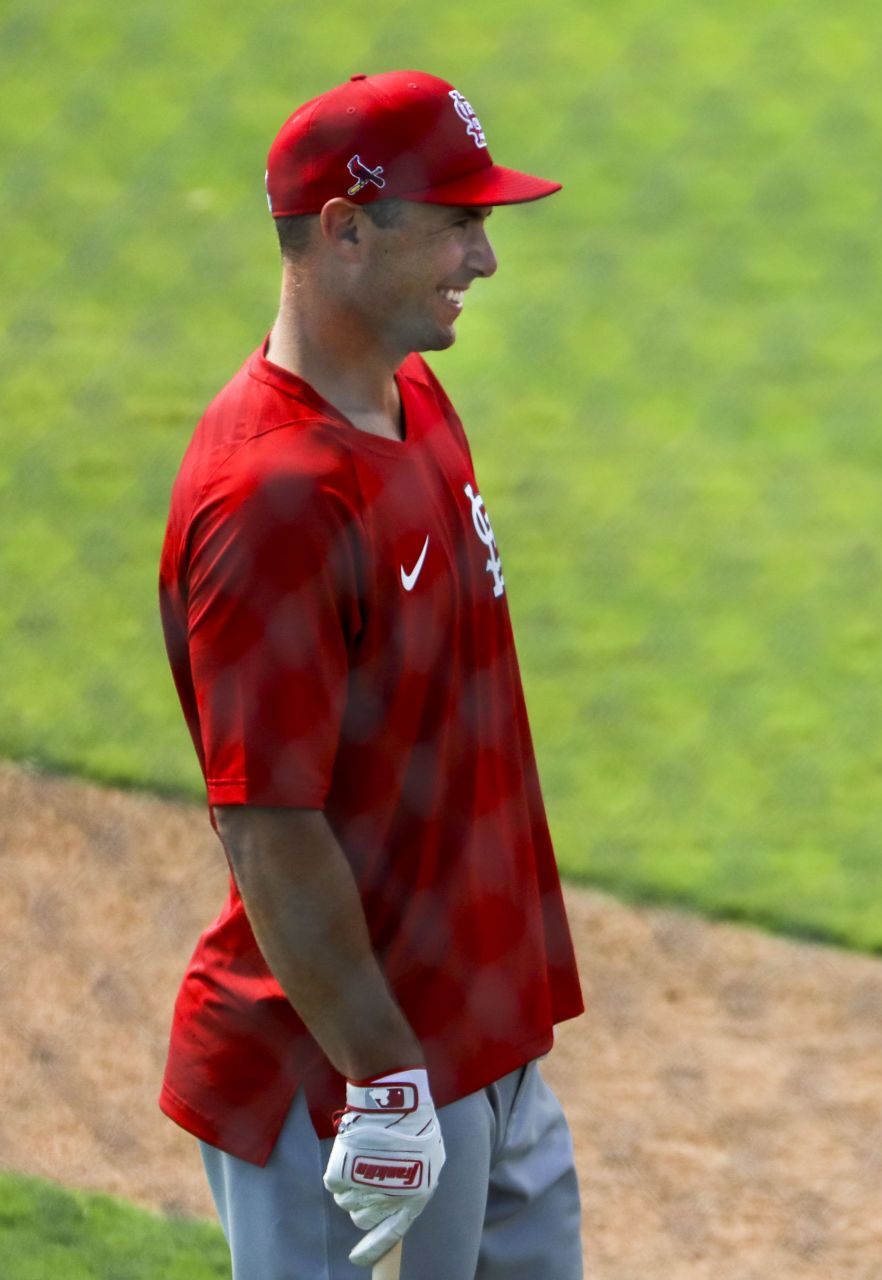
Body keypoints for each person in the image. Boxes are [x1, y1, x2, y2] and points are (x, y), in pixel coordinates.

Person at [157, 70, 585, 1279]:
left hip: (487, 1037)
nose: (485, 258)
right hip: (349, 1073)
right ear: (345, 229)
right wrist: (382, 1074)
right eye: (456, 220)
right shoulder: (275, 497)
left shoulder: (416, 398)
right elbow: (271, 819)